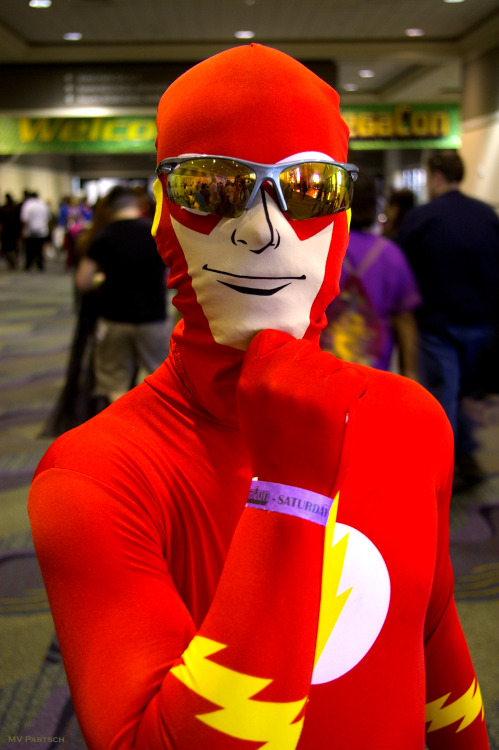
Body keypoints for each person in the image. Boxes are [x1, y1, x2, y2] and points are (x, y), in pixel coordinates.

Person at [28, 45, 490, 750]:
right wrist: (289, 494)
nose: (263, 227)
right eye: (211, 187)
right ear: (162, 216)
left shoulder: (407, 419)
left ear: (341, 216)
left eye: (308, 189)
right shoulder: (95, 476)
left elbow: (432, 643)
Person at [397, 152, 499, 489]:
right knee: (465, 395)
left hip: (437, 325)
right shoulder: (487, 216)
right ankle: (464, 456)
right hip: (483, 325)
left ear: (436, 175)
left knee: (444, 395)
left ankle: (445, 469)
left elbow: (403, 272)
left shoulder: (422, 218)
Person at [75, 184, 169, 407]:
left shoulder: (103, 237)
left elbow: (83, 281)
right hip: (153, 318)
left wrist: (101, 279)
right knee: (163, 377)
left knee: (114, 381)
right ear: (138, 205)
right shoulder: (154, 232)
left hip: (114, 319)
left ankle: (121, 429)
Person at [320, 172, 421, 378]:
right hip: (373, 377)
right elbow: (405, 323)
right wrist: (409, 374)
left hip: (324, 375)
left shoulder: (322, 249)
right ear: (373, 205)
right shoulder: (391, 256)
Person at [20, 191, 51, 271]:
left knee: (29, 249)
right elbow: (48, 218)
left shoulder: (27, 205)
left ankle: (28, 265)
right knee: (40, 249)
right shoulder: (43, 204)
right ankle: (40, 264)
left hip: (30, 231)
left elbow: (24, 219)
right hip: (42, 230)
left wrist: (23, 230)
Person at [0, 193, 22, 269]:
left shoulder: (3, 208)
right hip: (15, 230)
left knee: (7, 247)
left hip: (6, 231)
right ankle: (14, 259)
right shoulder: (16, 208)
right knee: (15, 247)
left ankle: (11, 261)